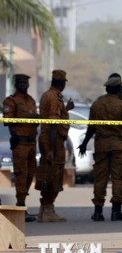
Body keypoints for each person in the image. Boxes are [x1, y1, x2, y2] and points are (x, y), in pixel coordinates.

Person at [79, 77, 122, 221]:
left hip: (101, 147)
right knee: (119, 178)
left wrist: (85, 143)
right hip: (119, 147)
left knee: (100, 179)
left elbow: (91, 127)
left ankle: (98, 211)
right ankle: (116, 211)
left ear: (106, 89)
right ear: (119, 88)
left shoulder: (97, 104)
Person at [37, 70, 74, 223]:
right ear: (62, 83)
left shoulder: (52, 96)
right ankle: (47, 209)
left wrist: (66, 109)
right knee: (52, 174)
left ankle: (45, 210)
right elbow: (53, 124)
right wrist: (51, 149)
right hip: (52, 141)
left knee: (51, 173)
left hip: (53, 140)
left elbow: (56, 117)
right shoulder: (53, 97)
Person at [2, 74, 39, 222]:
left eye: (26, 82)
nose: (24, 84)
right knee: (21, 174)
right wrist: (30, 117)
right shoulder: (11, 101)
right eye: (21, 82)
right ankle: (20, 206)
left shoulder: (30, 100)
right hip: (20, 143)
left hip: (31, 142)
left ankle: (22, 203)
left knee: (30, 175)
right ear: (16, 84)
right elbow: (7, 120)